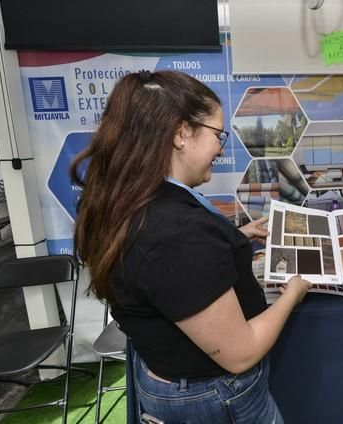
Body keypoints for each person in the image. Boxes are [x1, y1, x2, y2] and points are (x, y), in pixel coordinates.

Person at [71, 70, 310, 423]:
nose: (220, 147)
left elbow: (160, 274)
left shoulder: (122, 202)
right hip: (213, 396)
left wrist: (235, 239)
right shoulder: (175, 233)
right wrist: (294, 291)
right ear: (182, 134)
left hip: (169, 378)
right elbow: (240, 353)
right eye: (218, 134)